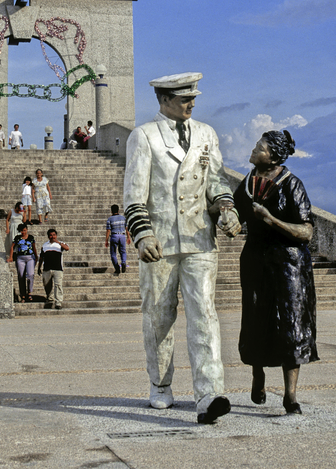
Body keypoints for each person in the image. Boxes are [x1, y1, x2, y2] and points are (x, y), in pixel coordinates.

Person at [123, 72, 241, 424]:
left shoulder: (206, 134)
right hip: (159, 241)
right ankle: (160, 383)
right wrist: (142, 234)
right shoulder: (143, 137)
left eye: (193, 98)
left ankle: (209, 393)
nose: (191, 103)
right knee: (159, 317)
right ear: (163, 100)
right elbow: (134, 193)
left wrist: (225, 207)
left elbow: (216, 178)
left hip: (198, 237)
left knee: (204, 313)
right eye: (184, 99)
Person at [233, 129, 319, 415]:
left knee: (290, 325)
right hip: (256, 259)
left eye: (260, 146)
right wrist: (229, 220)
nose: (254, 149)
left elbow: (306, 232)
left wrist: (271, 220)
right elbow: (236, 213)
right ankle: (258, 373)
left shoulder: (292, 185)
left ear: (273, 156)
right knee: (256, 318)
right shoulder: (248, 183)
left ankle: (290, 395)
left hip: (289, 263)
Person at [37, 228, 69, 310]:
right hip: (47, 268)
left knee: (58, 285)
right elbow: (41, 258)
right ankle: (50, 298)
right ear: (48, 236)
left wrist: (58, 242)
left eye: (54, 235)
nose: (52, 236)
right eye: (51, 235)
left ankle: (58, 302)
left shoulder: (60, 244)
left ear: (56, 235)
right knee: (47, 284)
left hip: (57, 268)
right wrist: (39, 267)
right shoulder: (44, 245)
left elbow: (67, 248)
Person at [8, 224, 38, 302]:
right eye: (22, 231)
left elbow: (34, 247)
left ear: (27, 230)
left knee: (30, 274)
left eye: (24, 230)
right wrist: (11, 257)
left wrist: (36, 256)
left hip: (30, 257)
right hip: (20, 258)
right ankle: (23, 294)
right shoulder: (17, 238)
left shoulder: (31, 237)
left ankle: (29, 292)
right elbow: (12, 247)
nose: (23, 232)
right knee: (21, 275)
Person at [105, 204, 130, 275]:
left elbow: (108, 230)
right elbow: (127, 228)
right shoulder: (123, 218)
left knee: (113, 254)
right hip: (122, 236)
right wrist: (128, 237)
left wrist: (106, 240)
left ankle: (117, 268)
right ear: (118, 210)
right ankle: (123, 262)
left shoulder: (110, 219)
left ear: (111, 211)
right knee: (123, 251)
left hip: (114, 236)